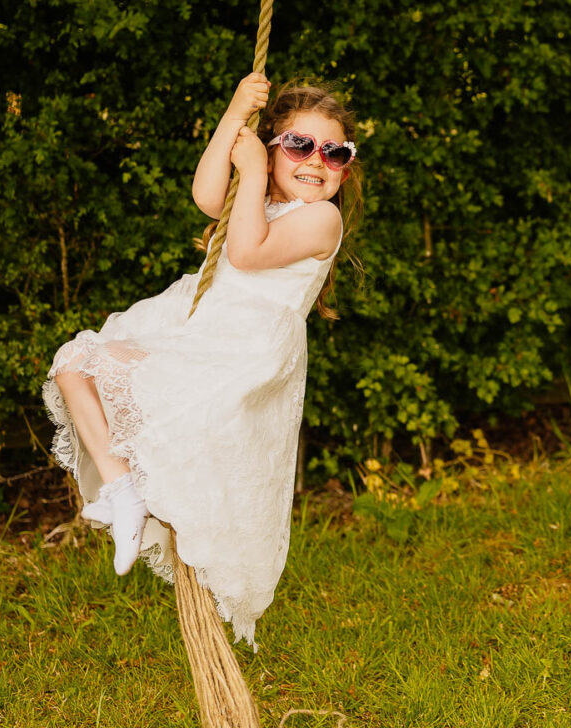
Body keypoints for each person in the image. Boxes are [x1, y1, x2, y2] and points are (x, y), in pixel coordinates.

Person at [42, 75, 363, 644]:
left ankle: (162, 505)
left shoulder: (323, 220)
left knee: (150, 408)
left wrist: (258, 169)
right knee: (74, 365)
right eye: (299, 145)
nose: (317, 160)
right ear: (273, 146)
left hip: (241, 346)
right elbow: (208, 196)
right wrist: (239, 110)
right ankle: (124, 494)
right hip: (197, 319)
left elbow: (246, 249)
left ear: (346, 165)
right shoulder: (256, 196)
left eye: (334, 152)